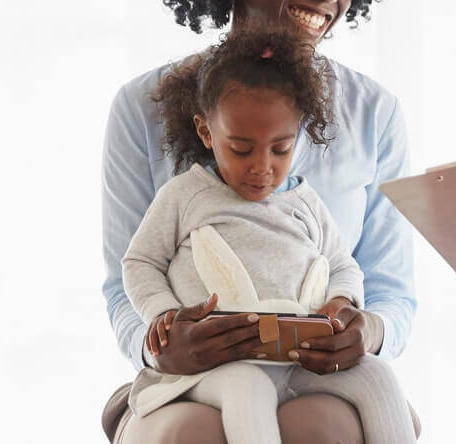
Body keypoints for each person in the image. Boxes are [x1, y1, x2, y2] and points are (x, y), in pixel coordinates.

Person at [101, 0, 419, 443]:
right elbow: (125, 279)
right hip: (191, 381)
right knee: (188, 435)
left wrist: (364, 331)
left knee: (322, 425)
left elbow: (391, 290)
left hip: (317, 376)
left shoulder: (374, 114)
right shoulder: (141, 107)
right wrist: (160, 344)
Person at [121, 28, 415, 444]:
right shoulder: (185, 195)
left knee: (378, 377)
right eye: (241, 149)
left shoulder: (305, 200)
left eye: (280, 149)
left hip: (299, 361)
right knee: (249, 387)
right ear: (206, 133)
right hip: (215, 366)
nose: (262, 167)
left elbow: (343, 264)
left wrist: (342, 301)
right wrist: (164, 315)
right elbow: (140, 262)